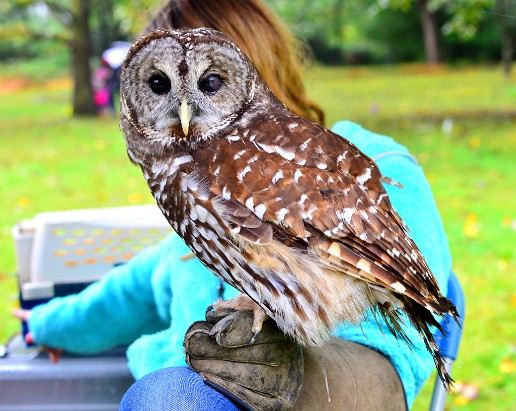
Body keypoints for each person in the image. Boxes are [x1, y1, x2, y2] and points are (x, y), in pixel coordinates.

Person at [12, 1, 453, 409]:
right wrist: (44, 326)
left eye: (209, 83)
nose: (185, 107)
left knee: (170, 399)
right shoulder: (185, 183)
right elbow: (124, 294)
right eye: (159, 85)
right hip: (187, 387)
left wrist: (306, 378)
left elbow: (400, 347)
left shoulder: (362, 157)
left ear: (252, 68)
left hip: (313, 395)